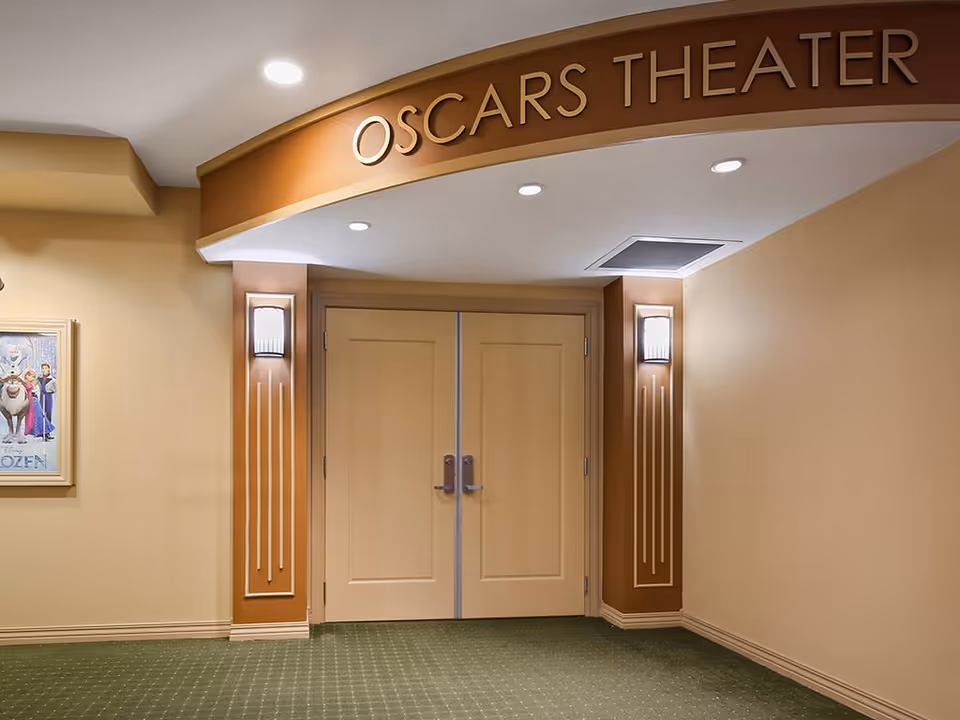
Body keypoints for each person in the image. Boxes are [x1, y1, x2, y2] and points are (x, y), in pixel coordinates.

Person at [23, 369, 53, 440]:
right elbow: (29, 389)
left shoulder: (31, 383)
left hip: (35, 401)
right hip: (31, 402)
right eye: (30, 376)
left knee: (41, 416)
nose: (32, 377)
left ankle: (46, 433)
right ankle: (42, 433)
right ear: (26, 376)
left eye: (33, 376)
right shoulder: (25, 383)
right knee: (38, 417)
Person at [38, 362, 55, 440]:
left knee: (48, 414)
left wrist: (50, 391)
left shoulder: (52, 379)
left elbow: (56, 388)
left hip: (48, 396)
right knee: (41, 413)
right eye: (43, 368)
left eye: (45, 368)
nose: (44, 369)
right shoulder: (39, 378)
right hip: (41, 396)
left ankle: (47, 433)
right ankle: (42, 432)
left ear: (49, 369)